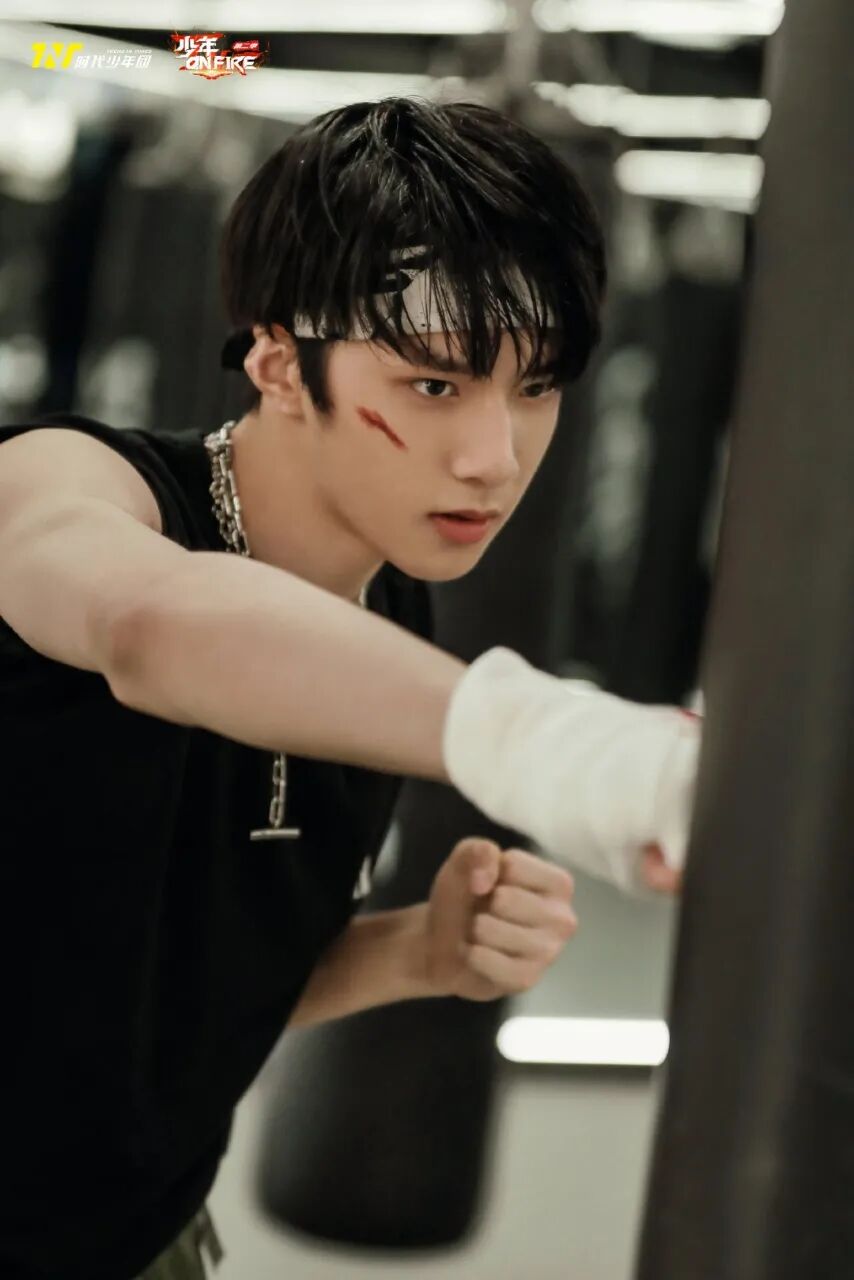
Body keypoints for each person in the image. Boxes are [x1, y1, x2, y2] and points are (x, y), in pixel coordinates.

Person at [0, 97, 699, 1278]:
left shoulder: (395, 612)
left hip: (140, 1239)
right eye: (432, 385)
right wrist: (548, 742)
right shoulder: (68, 486)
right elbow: (148, 622)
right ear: (278, 359)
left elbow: (185, 998)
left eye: (535, 386)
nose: (494, 457)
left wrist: (419, 951)